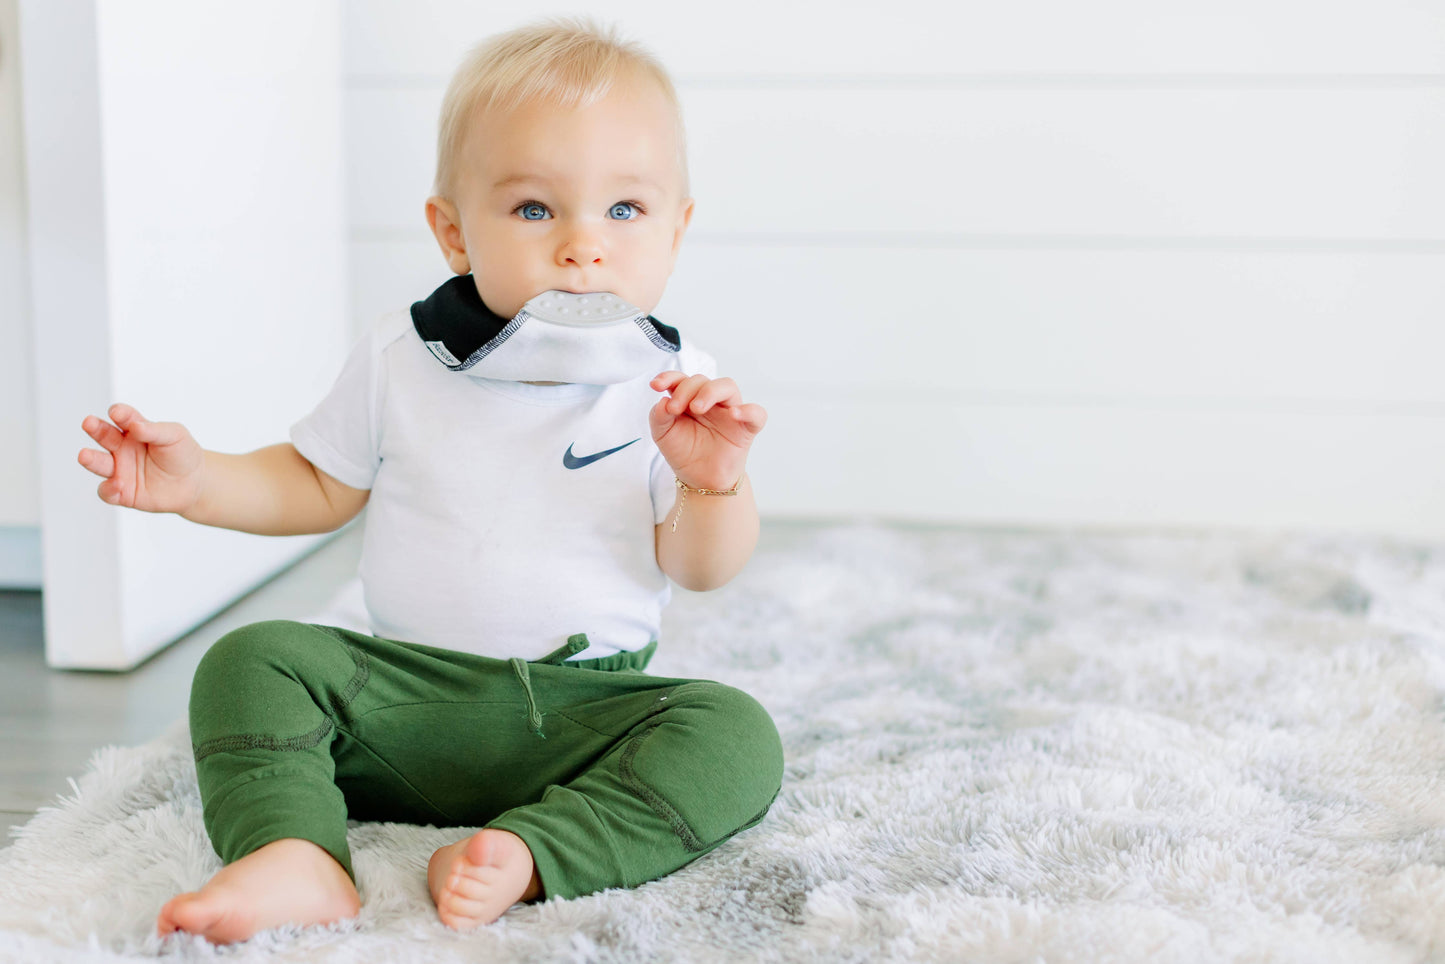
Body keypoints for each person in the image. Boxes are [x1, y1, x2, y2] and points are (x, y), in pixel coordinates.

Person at [75, 18, 784, 945]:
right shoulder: (402, 355)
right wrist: (198, 481)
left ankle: (534, 849)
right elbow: (314, 485)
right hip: (401, 704)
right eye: (534, 209)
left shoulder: (675, 385)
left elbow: (699, 570)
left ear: (677, 228)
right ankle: (295, 852)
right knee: (252, 660)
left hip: (581, 720)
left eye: (624, 210)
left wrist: (713, 484)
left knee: (734, 733)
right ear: (453, 231)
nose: (582, 245)